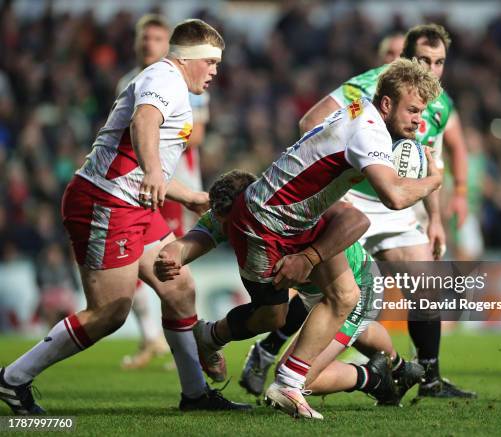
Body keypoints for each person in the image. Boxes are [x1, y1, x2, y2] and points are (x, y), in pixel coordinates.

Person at [0, 19, 250, 415]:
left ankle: (195, 394)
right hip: (105, 203)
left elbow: (148, 166)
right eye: (212, 62)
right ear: (187, 58)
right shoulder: (164, 80)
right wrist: (153, 170)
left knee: (179, 286)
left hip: (130, 202)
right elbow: (144, 121)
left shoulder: (174, 85)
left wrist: (188, 196)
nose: (216, 71)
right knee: (110, 312)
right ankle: (12, 379)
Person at [191, 58, 442, 419]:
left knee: (312, 304)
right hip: (271, 223)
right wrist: (433, 180)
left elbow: (314, 125)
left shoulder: (358, 108)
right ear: (387, 104)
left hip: (284, 215)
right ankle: (287, 375)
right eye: (414, 110)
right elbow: (395, 197)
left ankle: (257, 363)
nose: (419, 120)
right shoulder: (369, 131)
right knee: (284, 312)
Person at [259, 23, 475, 399]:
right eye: (424, 60)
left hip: (398, 205)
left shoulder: (439, 103)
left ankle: (428, 380)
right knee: (336, 293)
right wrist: (332, 185)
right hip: (354, 201)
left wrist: (436, 218)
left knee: (425, 286)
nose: (432, 69)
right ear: (406, 56)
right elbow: (311, 122)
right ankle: (272, 354)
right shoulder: (371, 88)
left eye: (439, 62)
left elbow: (431, 161)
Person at [154, 171, 425, 406]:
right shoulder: (228, 214)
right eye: (226, 226)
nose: (233, 233)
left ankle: (376, 380)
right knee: (339, 328)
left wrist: (310, 257)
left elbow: (356, 219)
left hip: (355, 287)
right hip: (319, 291)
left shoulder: (285, 205)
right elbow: (190, 242)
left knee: (294, 377)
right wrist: (170, 255)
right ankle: (401, 367)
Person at [116, 14, 210, 370]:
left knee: (171, 263)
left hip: (175, 181)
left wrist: (155, 152)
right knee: (146, 265)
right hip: (138, 181)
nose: (148, 44)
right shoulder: (129, 81)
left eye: (156, 38)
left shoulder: (186, 82)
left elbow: (195, 134)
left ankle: (183, 340)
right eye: (144, 38)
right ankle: (154, 338)